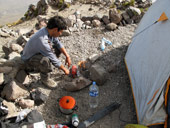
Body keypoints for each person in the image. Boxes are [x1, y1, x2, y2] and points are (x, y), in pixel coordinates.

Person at [21, 16, 71, 88]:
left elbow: (58, 43)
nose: (60, 34)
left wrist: (67, 56)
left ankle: (46, 66)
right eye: (61, 31)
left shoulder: (48, 30)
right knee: (45, 60)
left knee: (57, 48)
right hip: (28, 60)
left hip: (36, 52)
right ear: (55, 29)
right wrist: (65, 70)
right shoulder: (42, 40)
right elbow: (53, 58)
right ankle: (45, 79)